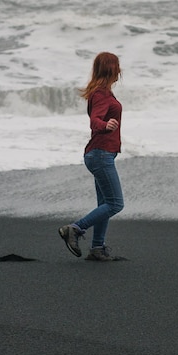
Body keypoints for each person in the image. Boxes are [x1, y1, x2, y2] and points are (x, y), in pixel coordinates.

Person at [58, 52, 124, 261]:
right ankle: (75, 229)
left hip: (102, 154)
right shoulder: (101, 94)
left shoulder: (103, 92)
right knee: (115, 204)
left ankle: (97, 248)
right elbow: (95, 119)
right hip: (100, 154)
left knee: (104, 204)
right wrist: (105, 125)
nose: (120, 71)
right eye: (117, 67)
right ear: (111, 69)